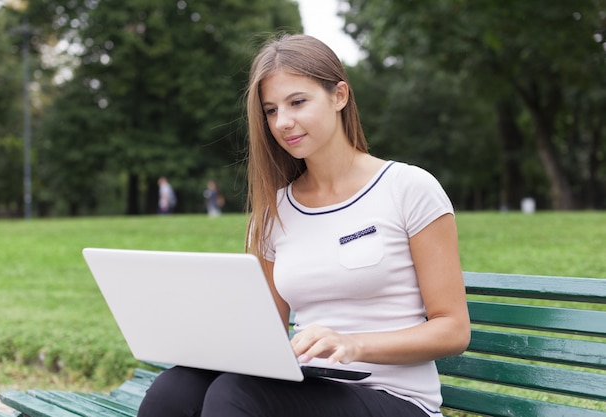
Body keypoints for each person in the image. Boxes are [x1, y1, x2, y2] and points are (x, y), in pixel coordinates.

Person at [137, 33, 470, 417]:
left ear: (339, 96)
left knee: (236, 395)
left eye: (297, 102)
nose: (283, 122)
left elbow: (453, 330)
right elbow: (264, 337)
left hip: (397, 400)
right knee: (175, 388)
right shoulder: (272, 213)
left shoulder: (408, 188)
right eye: (271, 110)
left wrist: (352, 344)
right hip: (308, 390)